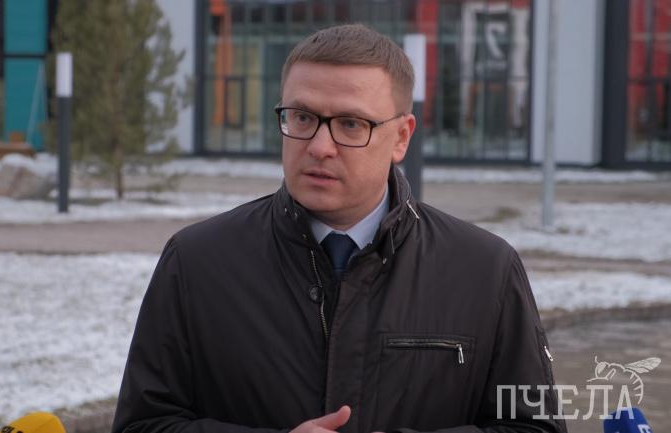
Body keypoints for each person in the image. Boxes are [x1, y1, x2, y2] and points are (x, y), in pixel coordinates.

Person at [112, 24, 566, 433]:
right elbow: (144, 424)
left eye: (351, 124)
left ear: (402, 137)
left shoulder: (483, 271)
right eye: (302, 117)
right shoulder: (198, 263)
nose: (319, 146)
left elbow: (534, 428)